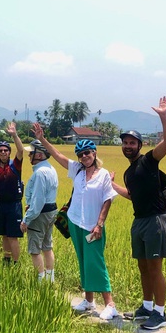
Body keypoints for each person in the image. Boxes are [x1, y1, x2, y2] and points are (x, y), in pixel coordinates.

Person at [32, 123, 119, 320]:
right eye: (80, 155)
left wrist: (100, 224)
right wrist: (43, 139)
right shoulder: (78, 170)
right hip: (75, 222)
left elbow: (107, 200)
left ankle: (110, 304)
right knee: (83, 261)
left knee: (96, 263)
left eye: (87, 153)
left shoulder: (103, 175)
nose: (84, 157)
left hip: (92, 226)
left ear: (94, 153)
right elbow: (59, 156)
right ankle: (89, 301)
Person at [110, 97, 166, 330]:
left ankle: (160, 313)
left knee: (155, 268)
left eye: (132, 142)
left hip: (155, 220)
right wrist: (113, 185)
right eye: (125, 142)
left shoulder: (148, 161)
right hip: (139, 221)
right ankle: (146, 307)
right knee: (143, 267)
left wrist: (163, 116)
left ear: (140, 145)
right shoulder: (129, 172)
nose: (128, 146)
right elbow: (132, 196)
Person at [20, 139, 58, 282]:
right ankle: (50, 279)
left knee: (35, 250)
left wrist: (26, 220)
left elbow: (38, 201)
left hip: (40, 214)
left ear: (40, 155)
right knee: (47, 246)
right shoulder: (51, 169)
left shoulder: (40, 173)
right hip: (50, 211)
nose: (29, 156)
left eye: (31, 153)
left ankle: (41, 282)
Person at [0, 122, 25, 266]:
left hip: (14, 205)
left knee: (13, 236)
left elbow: (21, 151)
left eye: (6, 150)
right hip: (0, 205)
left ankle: (16, 264)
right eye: (0, 150)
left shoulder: (15, 165)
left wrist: (14, 135)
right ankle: (7, 259)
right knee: (4, 234)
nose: (3, 152)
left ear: (9, 152)